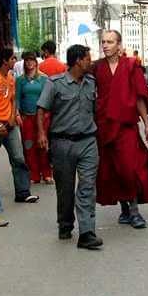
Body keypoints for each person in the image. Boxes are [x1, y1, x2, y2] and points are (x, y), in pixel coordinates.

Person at [92, 30, 148, 229]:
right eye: (103, 42)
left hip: (126, 126)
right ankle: (125, 209)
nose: (106, 45)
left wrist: (147, 124)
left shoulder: (130, 65)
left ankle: (134, 210)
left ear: (119, 45)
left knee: (129, 168)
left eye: (110, 42)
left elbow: (138, 97)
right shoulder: (97, 68)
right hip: (105, 126)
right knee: (112, 170)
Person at [37, 44, 102, 249]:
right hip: (62, 143)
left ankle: (87, 232)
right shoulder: (54, 83)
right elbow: (41, 109)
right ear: (77, 61)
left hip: (88, 141)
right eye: (87, 59)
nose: (90, 62)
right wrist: (41, 134)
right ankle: (65, 224)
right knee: (65, 189)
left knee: (87, 186)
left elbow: (94, 111)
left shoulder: (91, 83)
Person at [0, 48, 39, 203]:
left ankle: (23, 192)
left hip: (10, 125)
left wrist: (12, 116)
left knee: (18, 158)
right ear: (4, 61)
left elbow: (13, 99)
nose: (15, 61)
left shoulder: (10, 77)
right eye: (12, 58)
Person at [17, 51, 52, 185]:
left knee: (42, 145)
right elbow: (17, 99)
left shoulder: (44, 78)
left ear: (36, 62)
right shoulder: (20, 80)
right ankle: (34, 174)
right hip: (27, 118)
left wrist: (48, 113)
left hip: (42, 117)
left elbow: (48, 98)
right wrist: (17, 114)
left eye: (31, 60)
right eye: (26, 61)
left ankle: (47, 173)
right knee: (29, 146)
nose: (29, 63)